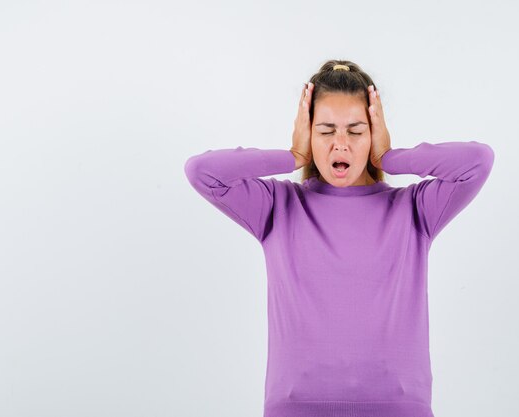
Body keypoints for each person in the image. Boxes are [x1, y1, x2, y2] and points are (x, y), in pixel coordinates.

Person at [184, 59, 495, 417]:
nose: (341, 145)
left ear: (375, 133)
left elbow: (478, 161)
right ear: (309, 132)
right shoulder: (276, 205)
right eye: (326, 130)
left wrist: (390, 158)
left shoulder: (414, 209)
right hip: (295, 408)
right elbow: (202, 172)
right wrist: (292, 156)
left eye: (356, 131)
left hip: (397, 407)